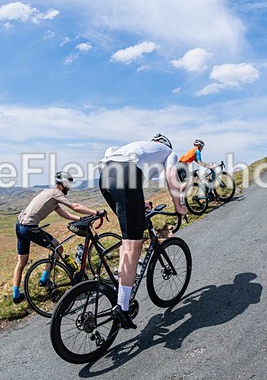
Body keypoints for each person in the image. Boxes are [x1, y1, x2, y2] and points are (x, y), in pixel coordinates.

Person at [99, 134, 187, 329]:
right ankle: (121, 308)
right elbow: (171, 177)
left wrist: (140, 204)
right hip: (126, 177)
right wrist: (178, 205)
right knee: (134, 247)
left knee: (127, 241)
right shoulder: (169, 153)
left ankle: (121, 282)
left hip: (105, 175)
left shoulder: (138, 147)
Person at [12, 171, 102, 304]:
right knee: (58, 248)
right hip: (29, 228)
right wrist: (95, 212)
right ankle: (44, 279)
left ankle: (16, 295)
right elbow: (74, 206)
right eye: (68, 185)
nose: (69, 188)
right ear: (63, 184)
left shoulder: (48, 193)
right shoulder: (56, 194)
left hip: (20, 226)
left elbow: (63, 213)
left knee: (21, 263)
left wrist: (81, 219)